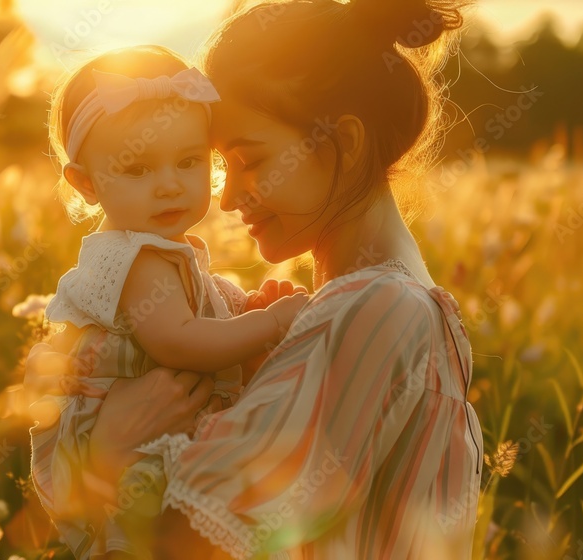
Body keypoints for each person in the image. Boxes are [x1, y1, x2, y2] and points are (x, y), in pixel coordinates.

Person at [26, 0, 483, 557]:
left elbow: (186, 542)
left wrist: (104, 451)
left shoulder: (377, 309)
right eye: (222, 164)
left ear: (348, 142)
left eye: (253, 160)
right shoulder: (366, 308)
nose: (226, 195)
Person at [30, 44, 309, 559]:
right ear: (86, 183)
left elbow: (196, 318)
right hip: (139, 460)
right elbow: (179, 342)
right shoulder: (137, 261)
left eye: (188, 162)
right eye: (138, 170)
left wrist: (241, 309)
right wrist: (268, 323)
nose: (169, 186)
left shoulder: (157, 252)